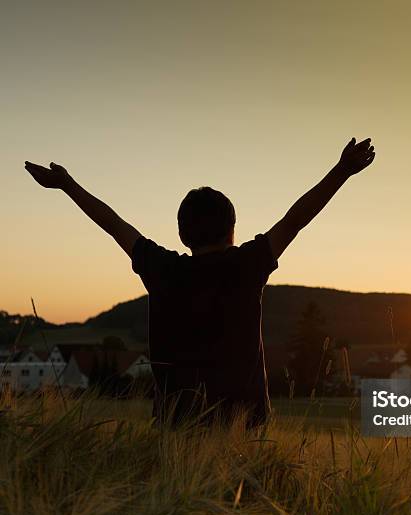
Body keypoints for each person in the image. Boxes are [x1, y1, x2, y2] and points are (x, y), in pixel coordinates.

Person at [25, 137, 375, 427]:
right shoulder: (247, 264)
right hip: (246, 426)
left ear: (181, 234)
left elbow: (114, 224)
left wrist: (67, 185)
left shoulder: (161, 268)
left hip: (176, 427)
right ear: (232, 230)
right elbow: (295, 219)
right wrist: (343, 170)